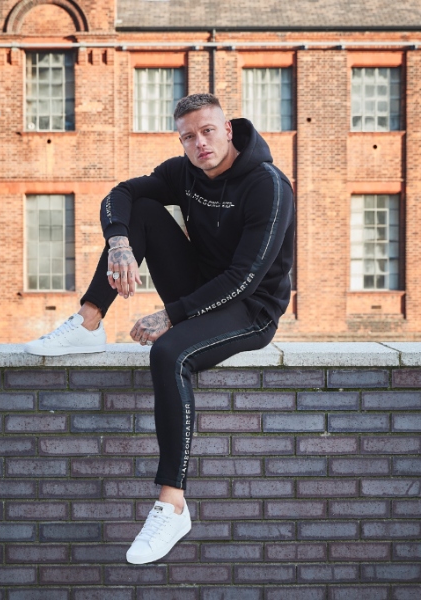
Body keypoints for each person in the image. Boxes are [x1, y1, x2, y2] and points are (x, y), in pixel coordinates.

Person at [24, 93, 295, 564]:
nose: (199, 143)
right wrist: (120, 243)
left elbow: (245, 278)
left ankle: (172, 504)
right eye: (188, 136)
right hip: (200, 287)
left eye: (207, 131)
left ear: (227, 129)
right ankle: (89, 321)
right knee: (144, 211)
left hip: (252, 307)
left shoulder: (268, 185)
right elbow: (119, 194)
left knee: (169, 353)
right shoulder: (183, 172)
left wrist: (172, 315)